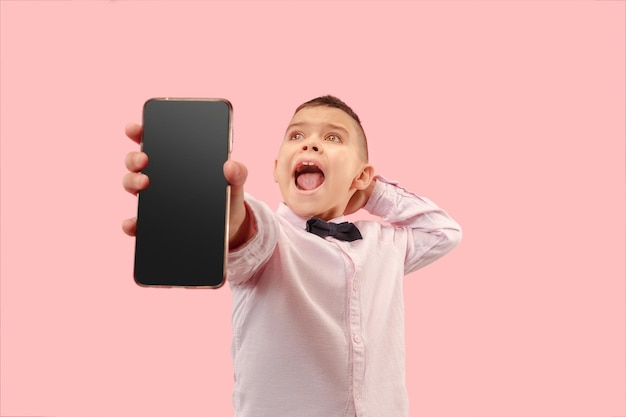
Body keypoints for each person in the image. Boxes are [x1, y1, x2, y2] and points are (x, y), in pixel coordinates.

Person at [122, 95, 462, 417]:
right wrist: (222, 213)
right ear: (277, 170)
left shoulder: (385, 243)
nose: (310, 143)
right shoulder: (272, 236)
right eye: (296, 135)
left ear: (360, 175)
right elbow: (246, 233)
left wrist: (371, 191)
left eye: (333, 138)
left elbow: (443, 231)